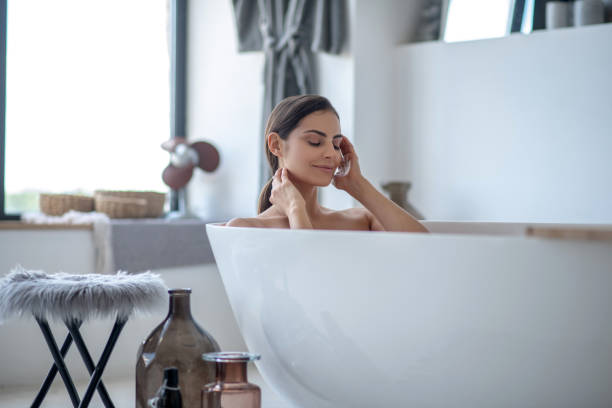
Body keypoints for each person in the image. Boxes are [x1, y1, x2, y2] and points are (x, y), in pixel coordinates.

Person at [226, 95, 428, 232]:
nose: (332, 153)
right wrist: (296, 209)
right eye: (315, 142)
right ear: (276, 144)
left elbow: (426, 250)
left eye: (336, 144)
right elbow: (312, 274)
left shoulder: (361, 220)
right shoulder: (245, 229)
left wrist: (358, 185)